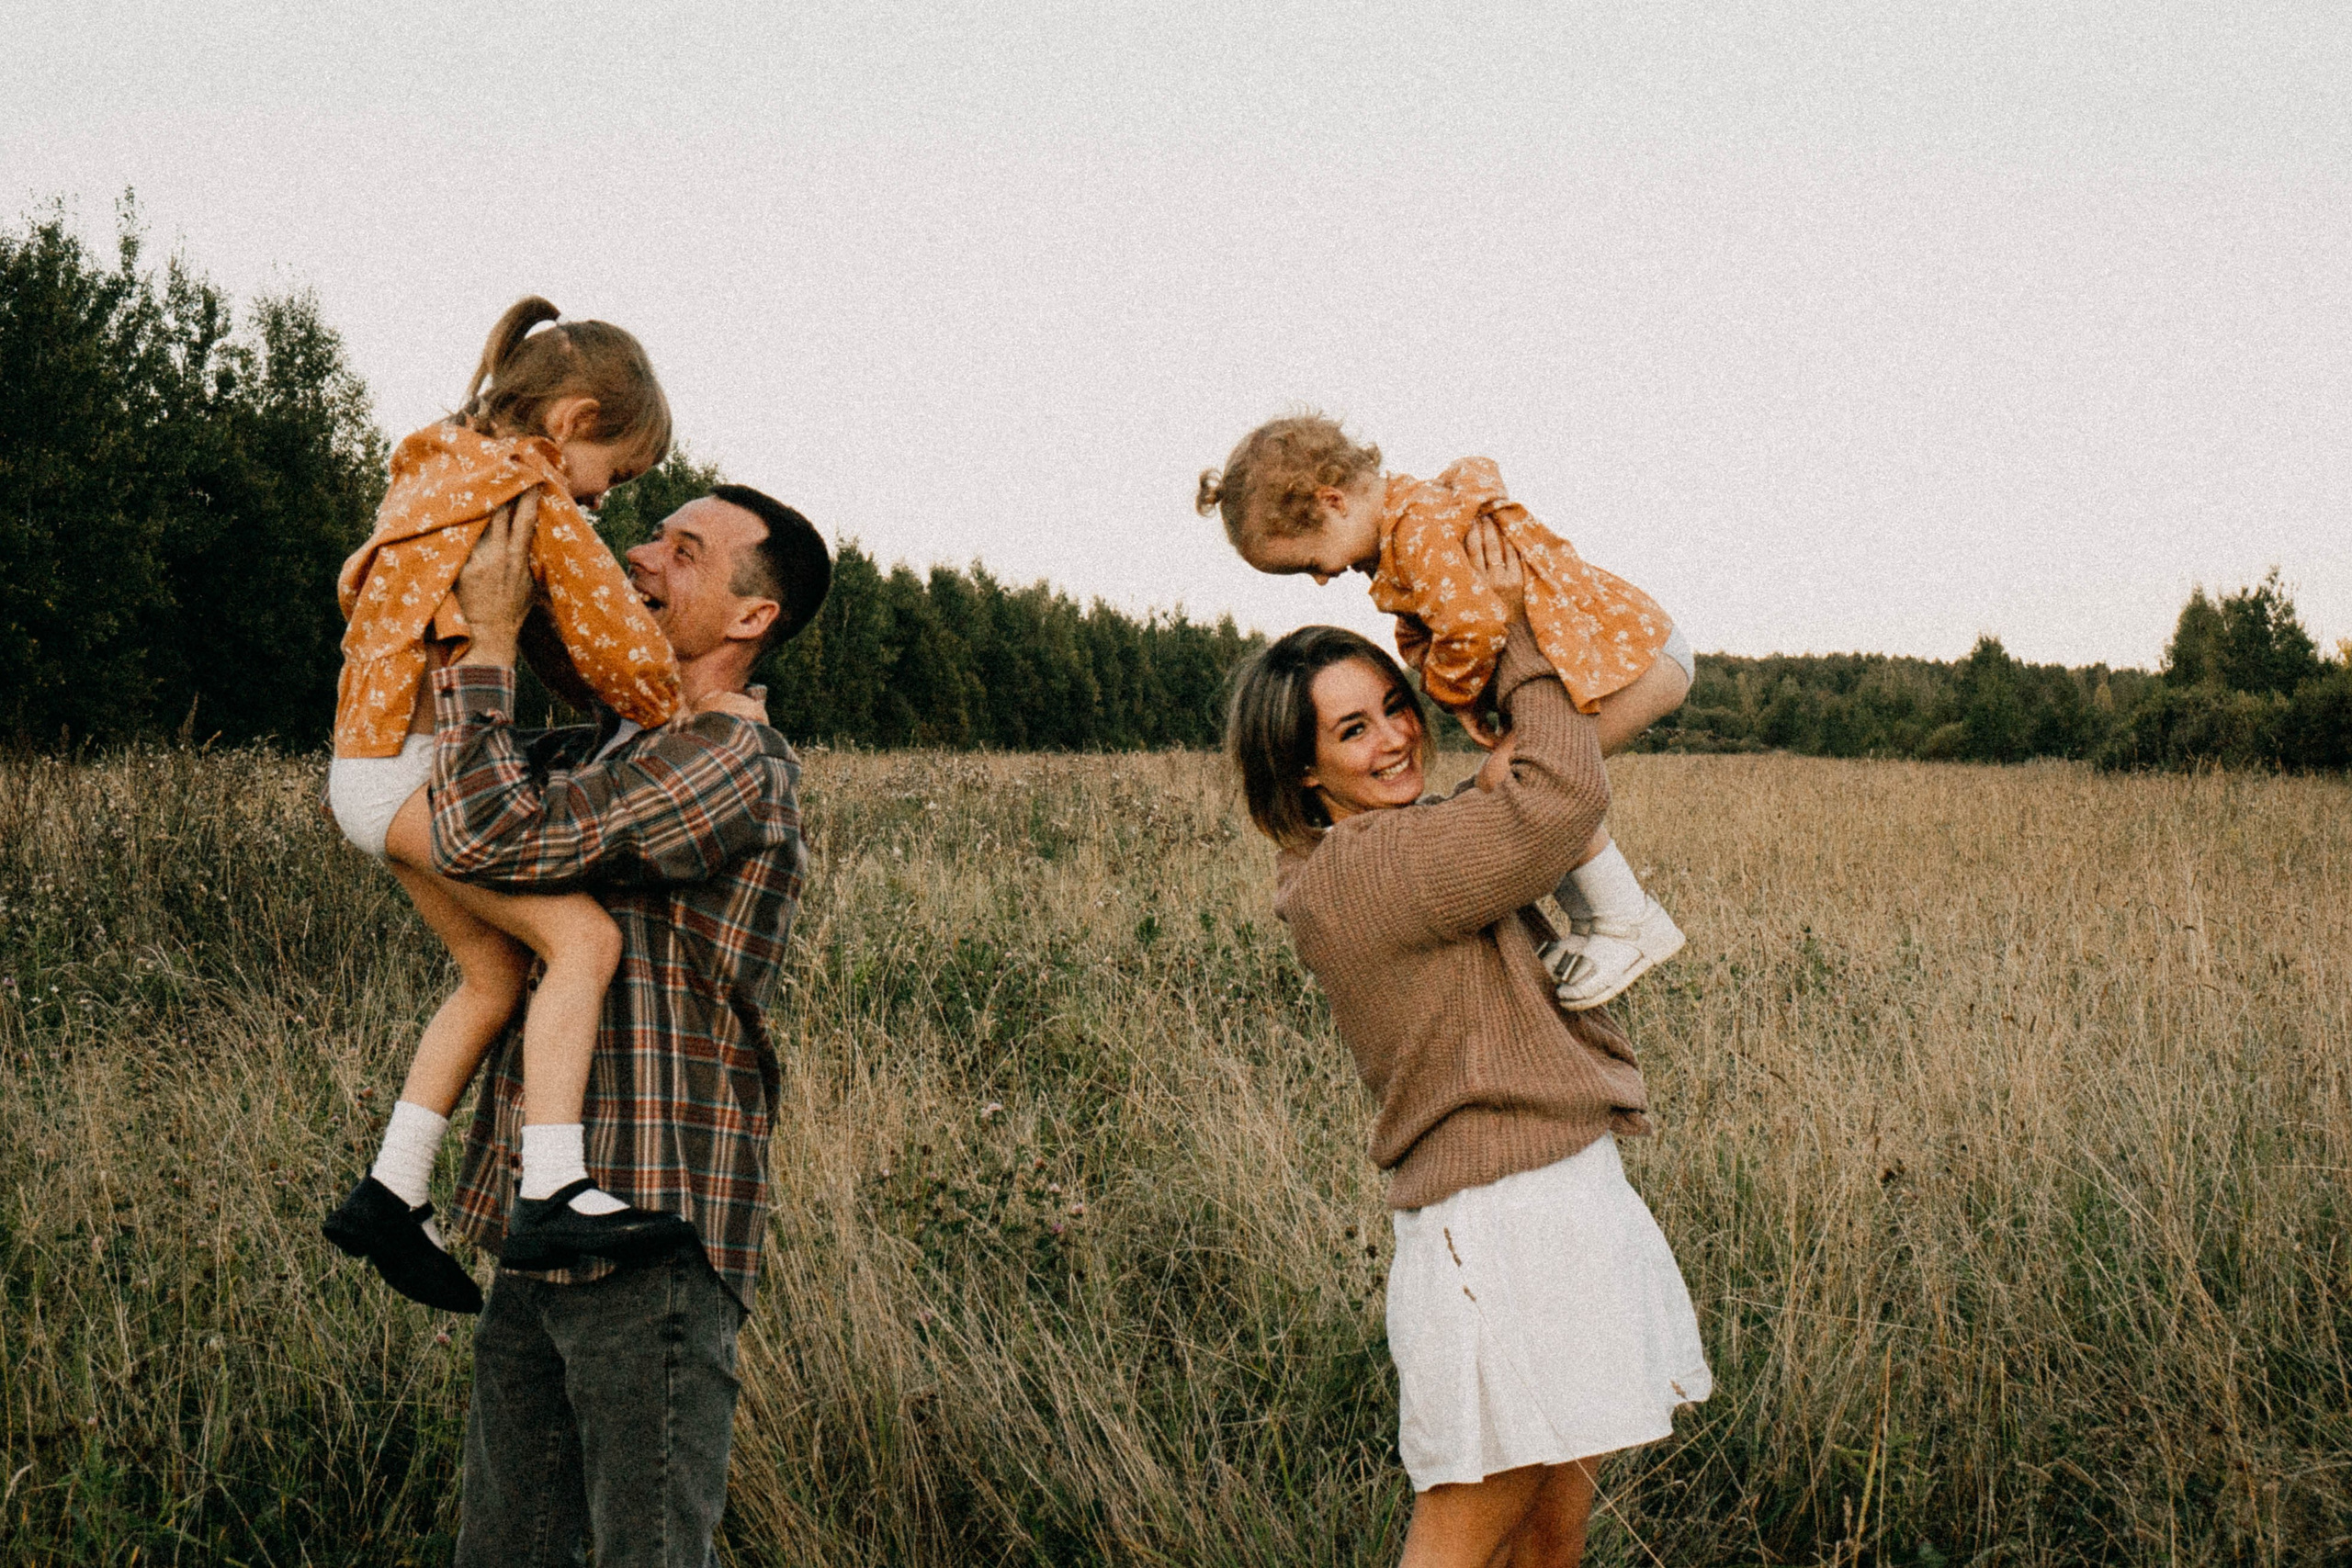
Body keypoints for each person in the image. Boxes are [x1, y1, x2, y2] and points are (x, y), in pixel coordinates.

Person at [1226, 521, 1710, 1568]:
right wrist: (1521, 631)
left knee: (1548, 1537)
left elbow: (1541, 783)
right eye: (1352, 730)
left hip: (1559, 1194)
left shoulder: (1411, 837)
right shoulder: (1367, 868)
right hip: (1499, 1226)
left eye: (1394, 706)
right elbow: (1563, 795)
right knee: (1459, 1538)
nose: (1395, 737)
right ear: (1302, 770)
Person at [430, 483, 830, 1564]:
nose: (641, 555)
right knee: (503, 1550)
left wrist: (491, 646)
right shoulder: (606, 744)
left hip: (650, 1221)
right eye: (650, 532)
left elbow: (485, 835)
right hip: (543, 1219)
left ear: (752, 617)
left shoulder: (730, 761)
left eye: (683, 550)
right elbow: (453, 778)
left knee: (645, 1552)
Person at [323, 297, 704, 1314]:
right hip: (410, 776)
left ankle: (390, 1191)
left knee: (493, 974)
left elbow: (532, 633)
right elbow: (616, 641)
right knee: (584, 942)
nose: (605, 499)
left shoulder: (441, 465)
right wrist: (672, 702)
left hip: (368, 766)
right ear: (573, 422)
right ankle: (553, 1186)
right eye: (615, 474)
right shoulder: (528, 486)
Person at [1200, 412, 1693, 1009]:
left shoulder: (1418, 536)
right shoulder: (1415, 521)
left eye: (1309, 562)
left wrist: (1453, 690)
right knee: (1509, 778)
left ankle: (1628, 920)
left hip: (1637, 656)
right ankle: (1595, 923)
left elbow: (1477, 625)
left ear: (1332, 502)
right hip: (1637, 644)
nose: (1323, 579)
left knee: (1518, 778)